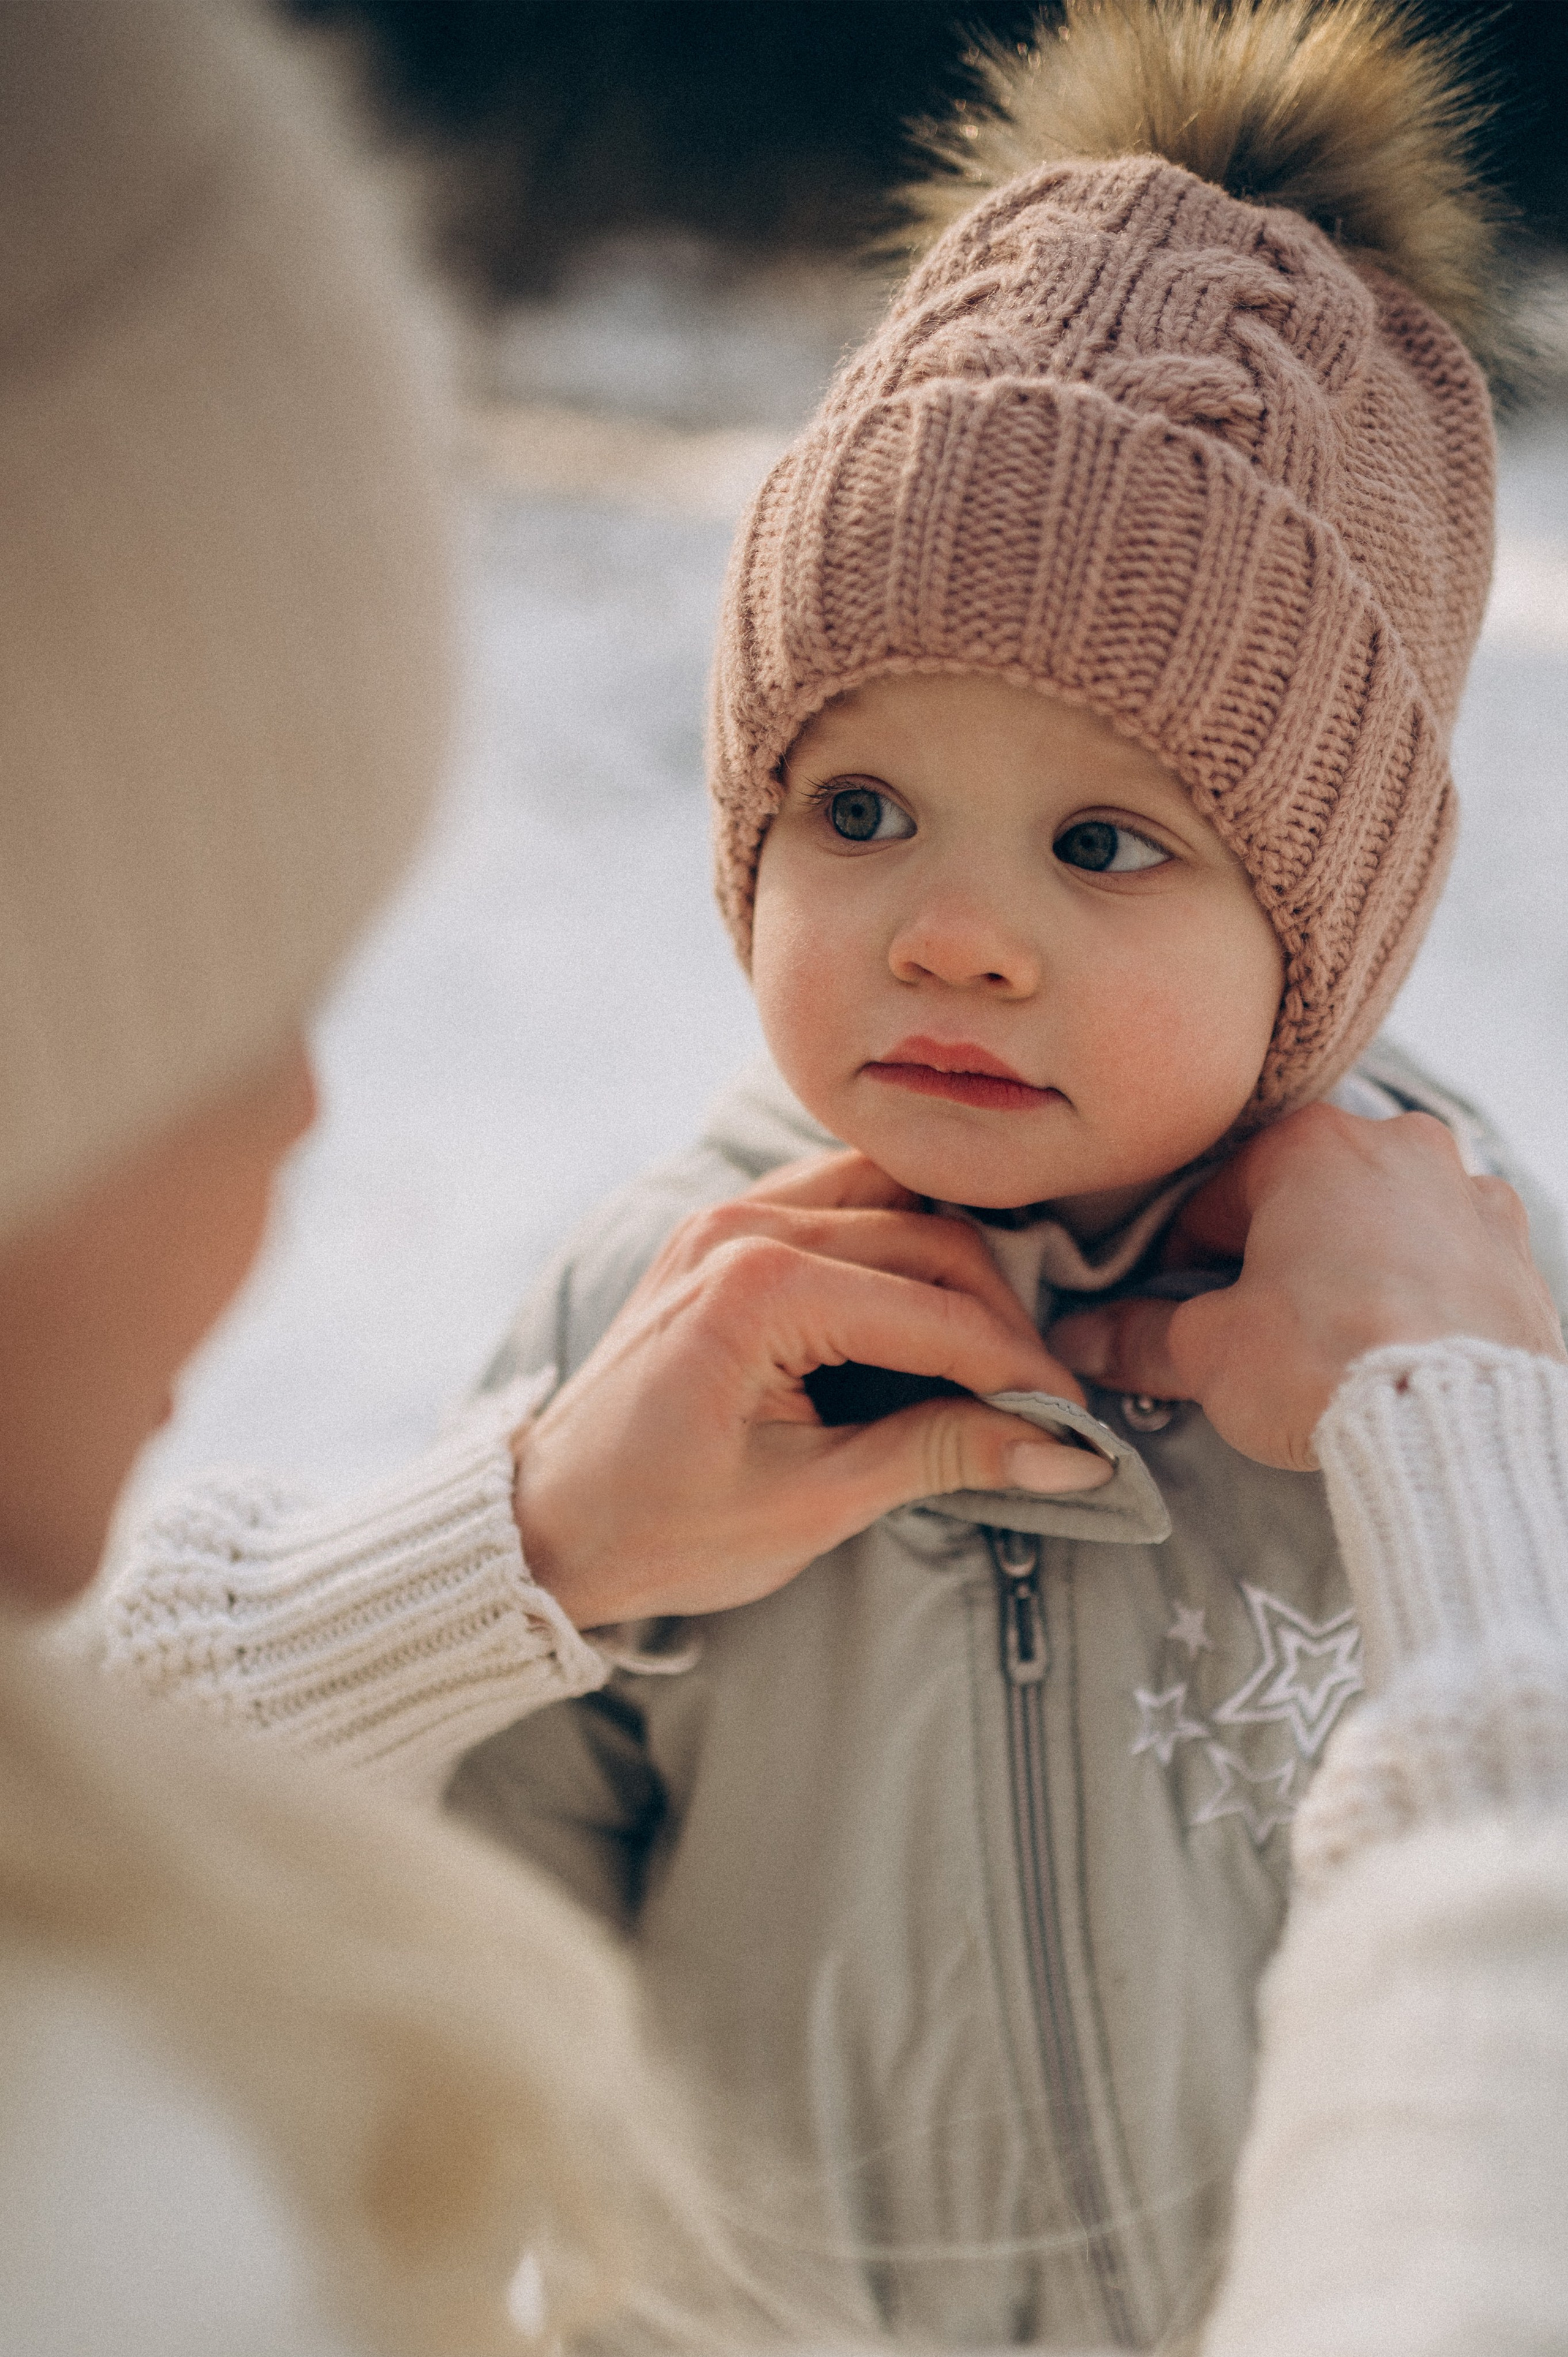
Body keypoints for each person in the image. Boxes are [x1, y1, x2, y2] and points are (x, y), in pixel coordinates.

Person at [9, 1, 1568, 2353]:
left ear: (1326, 928)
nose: (954, 931)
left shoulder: (1459, 1348)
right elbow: (428, 1972)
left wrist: (1474, 1433)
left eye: (1105, 843)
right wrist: (517, 1554)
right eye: (858, 810)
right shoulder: (659, 1331)